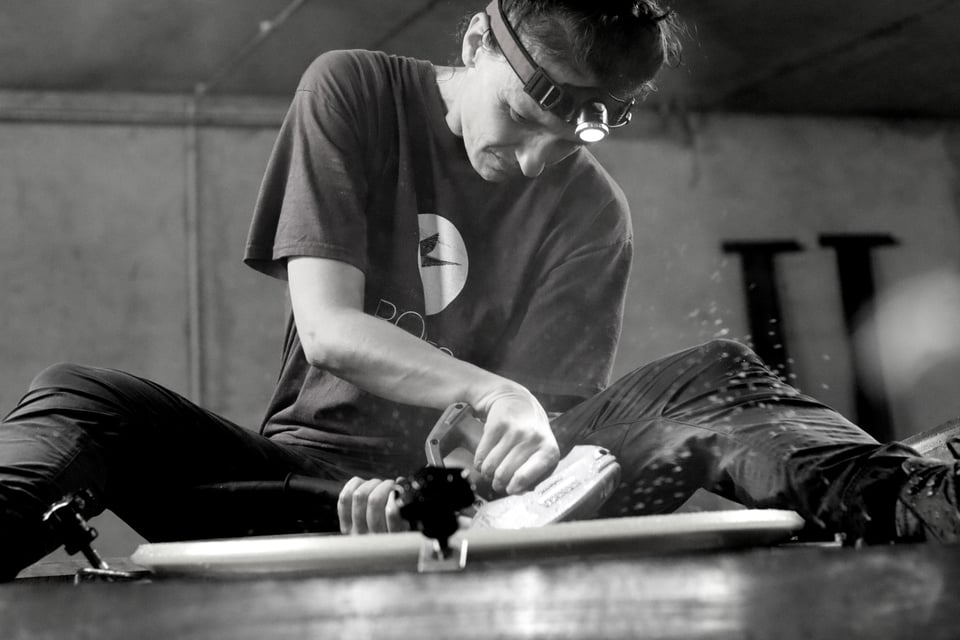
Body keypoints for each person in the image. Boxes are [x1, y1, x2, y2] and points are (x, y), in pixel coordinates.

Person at [1, 0, 957, 580]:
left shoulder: (594, 210)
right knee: (84, 398)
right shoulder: (356, 90)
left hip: (495, 508)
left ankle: (922, 498)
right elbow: (329, 329)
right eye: (528, 113)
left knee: (712, 378)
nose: (541, 158)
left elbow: (546, 454)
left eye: (577, 135)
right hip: (305, 488)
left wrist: (477, 472)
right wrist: (490, 391)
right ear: (475, 41)